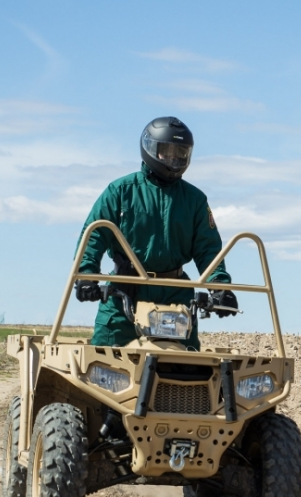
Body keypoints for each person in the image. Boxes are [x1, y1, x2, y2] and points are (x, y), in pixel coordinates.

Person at [73, 116, 235, 349]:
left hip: (176, 293)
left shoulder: (195, 199)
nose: (174, 159)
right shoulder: (120, 191)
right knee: (102, 358)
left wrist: (220, 287)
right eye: (167, 152)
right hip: (124, 288)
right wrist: (86, 275)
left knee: (188, 364)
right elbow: (94, 235)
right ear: (149, 149)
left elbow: (208, 249)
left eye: (180, 153)